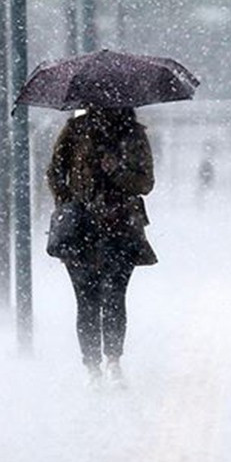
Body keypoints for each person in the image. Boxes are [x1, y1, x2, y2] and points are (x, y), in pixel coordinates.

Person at [46, 107, 156, 387]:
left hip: (120, 227)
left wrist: (117, 170)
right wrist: (69, 203)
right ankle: (92, 366)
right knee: (86, 299)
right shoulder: (75, 131)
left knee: (115, 296)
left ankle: (113, 361)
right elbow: (55, 172)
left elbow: (145, 183)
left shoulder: (133, 134)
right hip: (81, 230)